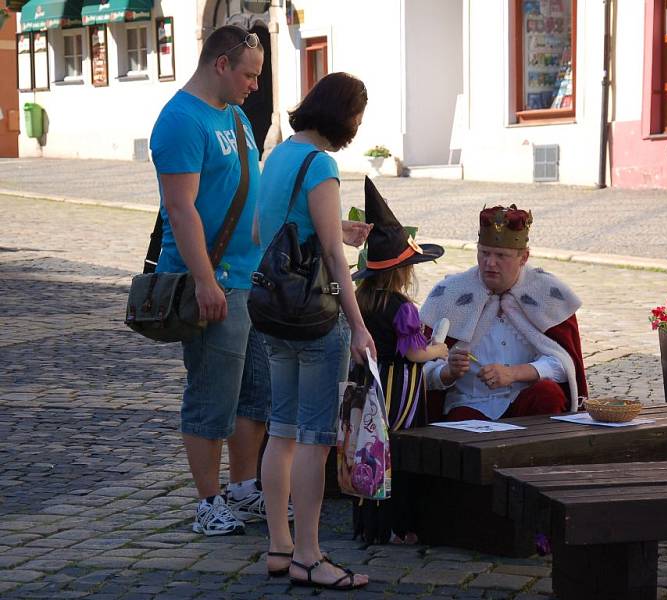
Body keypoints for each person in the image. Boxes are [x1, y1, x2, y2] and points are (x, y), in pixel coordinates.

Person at [149, 25, 270, 536]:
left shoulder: (236, 116)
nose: (255, 85)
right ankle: (208, 501)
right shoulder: (180, 121)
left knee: (255, 395)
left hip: (252, 279)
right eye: (249, 74)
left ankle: (243, 490)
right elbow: (180, 210)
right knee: (212, 396)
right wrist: (204, 280)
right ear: (221, 63)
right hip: (214, 280)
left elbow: (251, 193)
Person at [256, 72, 372, 591]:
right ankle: (309, 554)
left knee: (280, 430)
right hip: (316, 317)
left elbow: (267, 230)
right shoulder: (321, 163)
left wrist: (337, 230)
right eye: (358, 117)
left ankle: (280, 546)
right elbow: (331, 257)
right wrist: (359, 323)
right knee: (315, 438)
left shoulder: (278, 154)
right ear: (344, 115)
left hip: (273, 310)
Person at [420, 205, 588, 420]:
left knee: (548, 395)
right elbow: (421, 370)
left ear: (524, 257)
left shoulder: (546, 292)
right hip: (471, 403)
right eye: (484, 253)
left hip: (523, 399)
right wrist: (449, 372)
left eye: (501, 255)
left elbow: (566, 365)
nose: (490, 263)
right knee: (460, 425)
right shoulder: (451, 293)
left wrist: (515, 373)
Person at [350, 177, 447, 545]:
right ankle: (397, 525)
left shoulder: (359, 300)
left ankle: (367, 524)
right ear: (403, 272)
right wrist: (438, 349)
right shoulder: (403, 308)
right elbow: (413, 353)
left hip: (367, 387)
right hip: (399, 394)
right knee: (397, 457)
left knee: (368, 453)